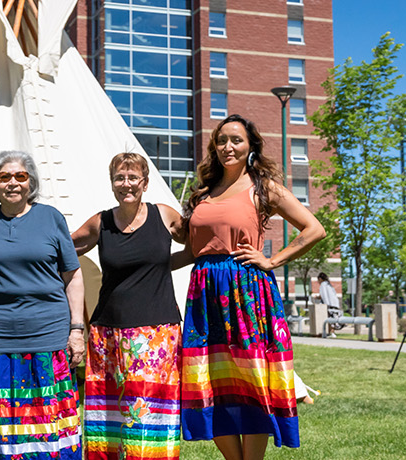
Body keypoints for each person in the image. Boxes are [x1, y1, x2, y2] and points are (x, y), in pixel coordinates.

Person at [179, 114, 325, 459]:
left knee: (251, 380)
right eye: (221, 140)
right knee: (207, 381)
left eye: (236, 140)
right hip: (204, 294)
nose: (228, 147)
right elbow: (193, 250)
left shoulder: (264, 188)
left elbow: (314, 229)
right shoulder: (203, 192)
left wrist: (273, 261)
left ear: (250, 146)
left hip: (246, 291)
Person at [0, 150, 85, 460]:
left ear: (31, 182)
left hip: (47, 337)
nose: (12, 183)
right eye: (4, 177)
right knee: (3, 426)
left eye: (20, 176)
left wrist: (76, 329)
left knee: (47, 422)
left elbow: (72, 276)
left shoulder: (50, 217)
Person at [69, 153, 186, 460]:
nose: (126, 184)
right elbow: (64, 248)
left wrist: (161, 266)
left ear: (145, 183)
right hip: (108, 334)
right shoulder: (101, 222)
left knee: (149, 411)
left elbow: (198, 242)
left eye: (133, 177)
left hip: (157, 333)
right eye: (119, 178)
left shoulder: (164, 215)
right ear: (112, 185)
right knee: (108, 417)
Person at [318, 272, 342, 337]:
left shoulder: (323, 285)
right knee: (334, 317)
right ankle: (332, 332)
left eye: (318, 280)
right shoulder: (329, 284)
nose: (318, 282)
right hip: (335, 303)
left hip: (329, 304)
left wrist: (325, 304)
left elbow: (324, 295)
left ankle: (331, 333)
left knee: (330, 318)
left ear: (320, 279)